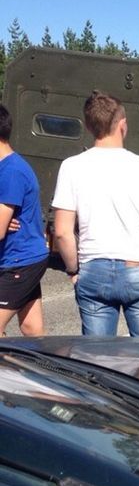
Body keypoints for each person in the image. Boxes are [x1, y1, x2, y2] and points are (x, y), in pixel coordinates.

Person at [53, 91, 139, 340]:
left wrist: (73, 271)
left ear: (88, 126)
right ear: (123, 125)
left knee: (98, 360)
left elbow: (63, 232)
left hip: (93, 270)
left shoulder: (71, 167)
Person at [0, 104, 49, 336]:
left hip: (19, 260)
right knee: (32, 329)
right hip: (22, 257)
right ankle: (49, 369)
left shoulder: (11, 172)